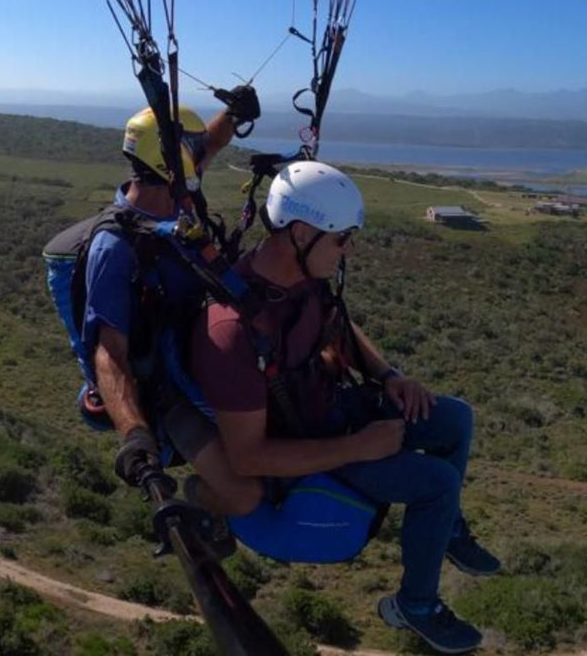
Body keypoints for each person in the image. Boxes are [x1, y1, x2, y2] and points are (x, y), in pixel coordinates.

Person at [188, 161, 500, 654]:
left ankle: (449, 532)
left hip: (335, 410)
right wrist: (358, 447)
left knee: (455, 418)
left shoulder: (301, 278)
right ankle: (416, 605)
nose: (348, 250)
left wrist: (389, 376)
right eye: (342, 240)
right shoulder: (231, 331)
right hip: (309, 447)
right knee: (437, 485)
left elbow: (339, 328)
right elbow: (248, 458)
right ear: (303, 231)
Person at [83, 88, 264, 517]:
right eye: (193, 148)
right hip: (168, 392)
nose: (203, 153)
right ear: (171, 160)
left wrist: (234, 114)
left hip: (205, 351)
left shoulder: (171, 192)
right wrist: (134, 434)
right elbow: (109, 352)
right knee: (245, 494)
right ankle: (202, 509)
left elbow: (210, 142)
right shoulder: (115, 247)